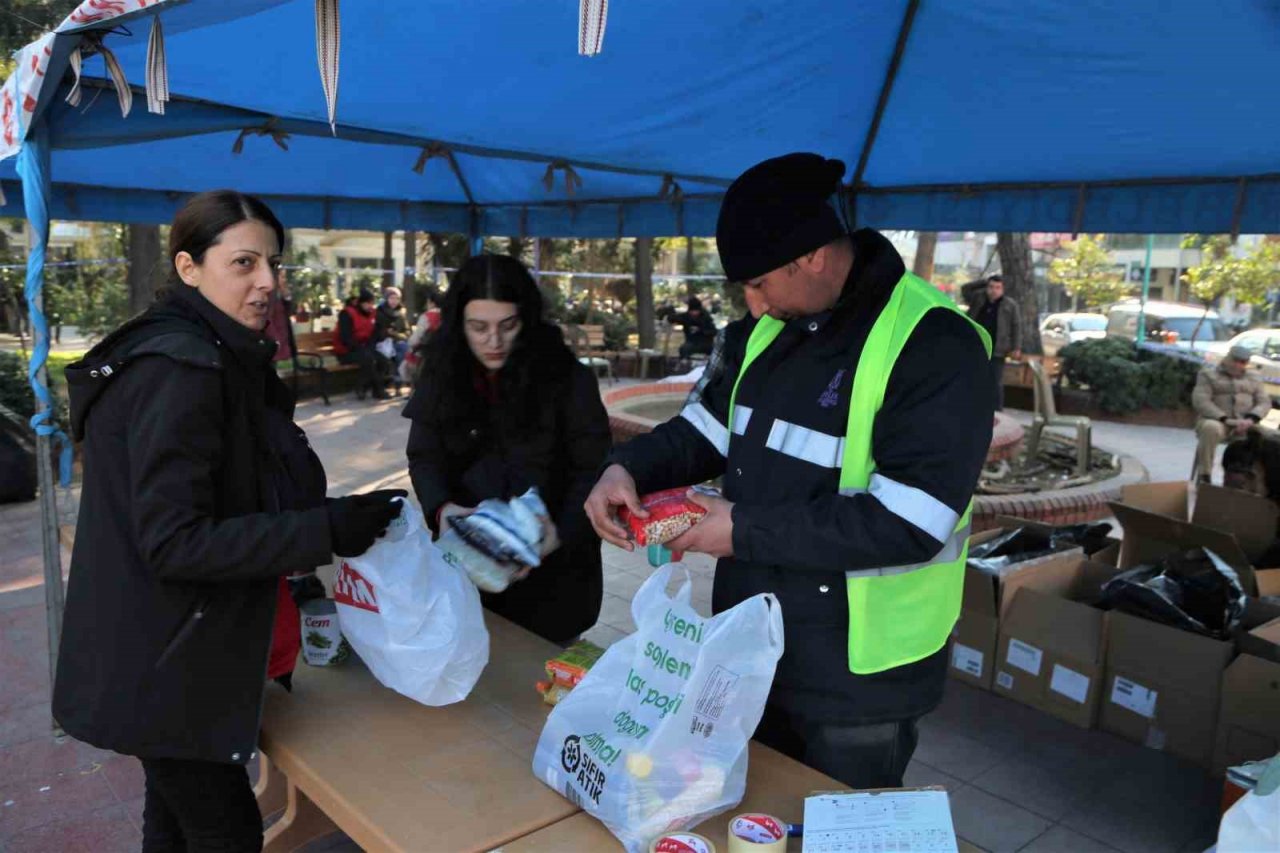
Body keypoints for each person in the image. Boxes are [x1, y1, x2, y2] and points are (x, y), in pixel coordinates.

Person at [584, 153, 993, 789]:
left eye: (757, 283)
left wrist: (737, 531)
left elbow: (911, 523)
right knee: (754, 823)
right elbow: (706, 430)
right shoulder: (768, 328)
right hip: (752, 647)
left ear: (813, 257)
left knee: (838, 829)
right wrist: (624, 468)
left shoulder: (936, 344)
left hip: (861, 677)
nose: (751, 304)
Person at [51, 190, 403, 853]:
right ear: (188, 267)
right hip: (164, 661)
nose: (267, 281)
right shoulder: (181, 369)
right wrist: (325, 530)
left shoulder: (216, 354)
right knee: (223, 830)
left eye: (272, 262)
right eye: (243, 263)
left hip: (172, 653)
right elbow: (174, 540)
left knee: (175, 820)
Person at [403, 254, 611, 644]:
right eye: (478, 328)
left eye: (508, 326)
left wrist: (560, 534)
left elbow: (594, 469)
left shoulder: (567, 378)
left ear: (527, 320)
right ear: (458, 324)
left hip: (555, 578)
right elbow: (424, 455)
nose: (493, 342)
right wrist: (443, 510)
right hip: (470, 564)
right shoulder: (443, 371)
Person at [1192, 343, 1273, 483]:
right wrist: (1224, 419)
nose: (1238, 365)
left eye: (1243, 362)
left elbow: (1264, 402)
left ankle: (1260, 481)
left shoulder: (1254, 377)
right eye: (1235, 360)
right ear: (1227, 358)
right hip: (1218, 421)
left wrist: (1251, 419)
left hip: (1246, 423)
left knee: (1271, 438)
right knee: (1210, 428)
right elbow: (1201, 401)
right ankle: (1204, 475)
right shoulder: (1208, 374)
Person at [966, 274, 1021, 410]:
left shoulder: (1009, 305)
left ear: (1002, 289)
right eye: (991, 287)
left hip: (998, 348)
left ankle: (997, 410)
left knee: (995, 381)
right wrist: (984, 281)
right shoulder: (978, 299)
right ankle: (970, 406)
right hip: (976, 346)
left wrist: (1016, 347)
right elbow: (965, 289)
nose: (993, 290)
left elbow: (1016, 326)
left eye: (997, 287)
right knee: (973, 378)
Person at [333, 289, 390, 400]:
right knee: (368, 360)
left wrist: (374, 341)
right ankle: (378, 389)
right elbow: (345, 337)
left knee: (383, 361)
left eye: (372, 303)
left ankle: (362, 387)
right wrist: (360, 348)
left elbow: (377, 333)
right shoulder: (347, 314)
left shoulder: (373, 314)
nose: (370, 306)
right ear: (360, 303)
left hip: (365, 348)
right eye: (367, 303)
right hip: (346, 351)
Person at [376, 285, 412, 395]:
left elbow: (407, 331)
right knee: (400, 352)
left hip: (398, 342)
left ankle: (399, 384)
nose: (394, 301)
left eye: (397, 298)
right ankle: (395, 384)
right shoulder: (380, 312)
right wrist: (388, 333)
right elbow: (379, 331)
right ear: (386, 298)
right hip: (383, 343)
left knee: (402, 351)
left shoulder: (401, 312)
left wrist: (396, 334)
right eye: (391, 298)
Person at [676, 296, 717, 361]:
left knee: (716, 351)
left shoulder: (706, 317)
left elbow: (714, 331)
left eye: (696, 311)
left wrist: (701, 330)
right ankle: (685, 364)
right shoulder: (686, 317)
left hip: (706, 343)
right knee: (683, 349)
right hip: (692, 343)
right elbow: (673, 317)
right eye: (692, 311)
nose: (694, 313)